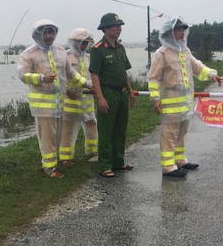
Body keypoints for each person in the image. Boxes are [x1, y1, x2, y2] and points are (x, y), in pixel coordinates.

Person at [147, 16, 223, 177]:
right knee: (169, 134)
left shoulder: (185, 50)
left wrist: (212, 75)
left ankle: (180, 160)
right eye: (178, 30)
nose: (182, 33)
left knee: (182, 133)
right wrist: (155, 99)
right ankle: (168, 167)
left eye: (183, 29)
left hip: (185, 103)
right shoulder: (162, 54)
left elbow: (197, 66)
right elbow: (153, 78)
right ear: (170, 33)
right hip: (170, 103)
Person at [18, 19, 87, 179]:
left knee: (57, 136)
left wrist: (87, 84)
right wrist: (41, 78)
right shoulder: (29, 53)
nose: (48, 36)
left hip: (59, 103)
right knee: (47, 137)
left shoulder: (61, 51)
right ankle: (50, 168)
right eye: (44, 33)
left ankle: (49, 162)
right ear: (37, 35)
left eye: (51, 32)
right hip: (42, 105)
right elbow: (22, 75)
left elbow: (71, 73)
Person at [88, 13, 136, 178]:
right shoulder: (98, 49)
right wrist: (100, 98)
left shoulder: (120, 48)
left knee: (120, 129)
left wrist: (130, 92)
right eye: (115, 26)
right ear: (105, 28)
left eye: (120, 26)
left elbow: (124, 73)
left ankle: (118, 162)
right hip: (107, 92)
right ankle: (105, 166)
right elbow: (94, 75)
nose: (119, 29)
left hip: (122, 93)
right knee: (106, 130)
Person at [59, 28, 97, 165]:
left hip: (87, 99)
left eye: (87, 43)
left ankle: (93, 150)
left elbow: (92, 76)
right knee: (68, 127)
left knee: (91, 123)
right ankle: (66, 157)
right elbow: (61, 77)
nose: (84, 46)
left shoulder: (88, 57)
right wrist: (67, 89)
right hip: (71, 99)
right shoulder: (65, 56)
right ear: (74, 42)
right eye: (82, 43)